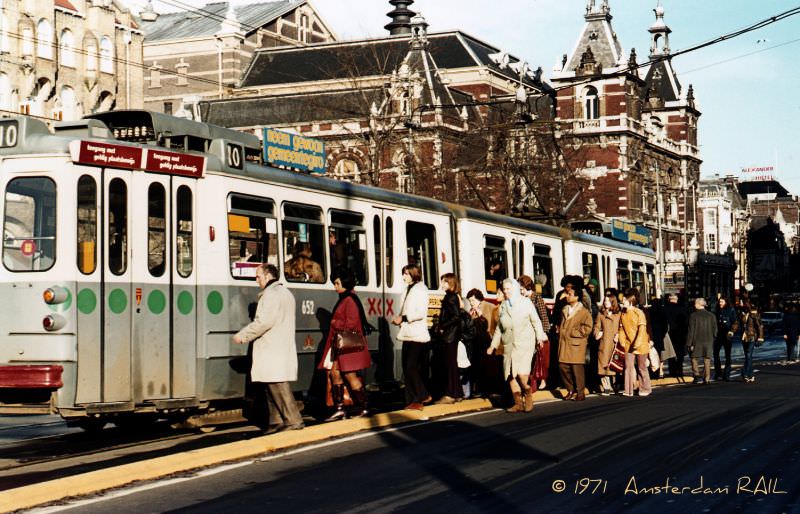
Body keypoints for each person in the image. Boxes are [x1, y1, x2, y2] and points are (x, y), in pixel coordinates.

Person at [233, 263, 304, 433]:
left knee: (278, 384)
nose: (256, 280)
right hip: (279, 345)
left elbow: (264, 321)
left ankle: (294, 420)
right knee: (270, 384)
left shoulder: (271, 295)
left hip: (272, 347)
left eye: (258, 276)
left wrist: (243, 335)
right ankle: (276, 420)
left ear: (268, 276)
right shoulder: (286, 293)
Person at [318, 268, 371, 420]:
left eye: (337, 283)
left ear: (345, 283)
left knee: (349, 375)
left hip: (347, 346)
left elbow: (352, 323)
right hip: (340, 345)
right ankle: (340, 408)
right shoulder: (346, 298)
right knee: (335, 373)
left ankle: (363, 406)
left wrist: (335, 322)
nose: (335, 287)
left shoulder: (349, 300)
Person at [488, 279, 547, 413]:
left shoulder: (526, 303)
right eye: (504, 289)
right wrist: (493, 345)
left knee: (521, 374)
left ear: (514, 289)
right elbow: (499, 328)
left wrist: (540, 337)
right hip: (509, 344)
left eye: (509, 289)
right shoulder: (503, 305)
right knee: (509, 374)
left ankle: (527, 391)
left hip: (525, 343)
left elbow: (536, 321)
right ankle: (518, 403)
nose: (506, 291)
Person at [392, 263, 431, 411]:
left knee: (411, 367)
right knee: (406, 367)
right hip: (408, 333)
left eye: (406, 274)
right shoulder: (407, 289)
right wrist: (400, 319)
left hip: (417, 334)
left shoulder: (421, 289)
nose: (403, 276)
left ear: (414, 274)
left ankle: (422, 395)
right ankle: (412, 400)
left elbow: (420, 312)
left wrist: (403, 318)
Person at [558, 285, 594, 401]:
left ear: (577, 297)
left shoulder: (584, 312)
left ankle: (580, 392)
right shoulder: (565, 309)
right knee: (563, 366)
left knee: (576, 369)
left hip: (576, 344)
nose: (568, 296)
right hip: (564, 343)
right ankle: (570, 389)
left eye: (570, 294)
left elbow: (588, 327)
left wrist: (575, 332)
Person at [467, 288, 504, 397]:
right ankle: (481, 389)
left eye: (473, 300)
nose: (471, 303)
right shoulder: (472, 310)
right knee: (479, 366)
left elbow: (491, 325)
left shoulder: (488, 306)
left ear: (479, 299)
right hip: (478, 342)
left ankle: (492, 389)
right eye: (470, 301)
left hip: (488, 340)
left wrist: (480, 316)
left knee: (489, 367)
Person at [434, 273, 464, 404]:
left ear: (450, 283)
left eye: (444, 282)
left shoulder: (450, 298)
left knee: (450, 365)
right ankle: (457, 393)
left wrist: (442, 326)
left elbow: (456, 317)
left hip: (449, 336)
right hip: (452, 335)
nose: (442, 284)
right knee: (452, 364)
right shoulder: (452, 297)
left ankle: (450, 394)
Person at [518, 275, 551, 391]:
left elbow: (543, 316)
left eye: (521, 289)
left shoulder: (537, 298)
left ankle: (542, 379)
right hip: (527, 332)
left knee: (539, 358)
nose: (520, 291)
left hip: (538, 332)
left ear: (527, 287)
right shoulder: (521, 299)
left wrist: (543, 333)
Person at [618, 288, 652, 397]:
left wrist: (637, 343)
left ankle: (645, 388)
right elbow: (622, 329)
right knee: (628, 367)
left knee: (641, 367)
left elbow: (642, 329)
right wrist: (622, 341)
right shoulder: (623, 313)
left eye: (624, 299)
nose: (622, 301)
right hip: (628, 344)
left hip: (641, 344)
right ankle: (628, 390)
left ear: (630, 300)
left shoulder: (639, 312)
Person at [594, 294, 621, 395]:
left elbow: (621, 327)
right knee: (603, 364)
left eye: (608, 301)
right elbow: (596, 326)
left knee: (615, 364)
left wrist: (619, 335)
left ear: (613, 302)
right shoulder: (601, 314)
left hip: (615, 343)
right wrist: (597, 333)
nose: (606, 303)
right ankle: (606, 386)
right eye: (605, 301)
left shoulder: (618, 314)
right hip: (604, 343)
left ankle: (615, 384)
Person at [686, 297, 717, 385]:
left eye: (695, 303)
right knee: (707, 359)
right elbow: (715, 329)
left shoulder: (693, 316)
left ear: (699, 305)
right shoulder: (711, 315)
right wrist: (713, 338)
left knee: (693, 358)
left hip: (696, 340)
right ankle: (706, 378)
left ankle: (696, 376)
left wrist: (689, 343)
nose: (694, 305)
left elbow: (691, 330)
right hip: (708, 340)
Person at [736, 302, 764, 383]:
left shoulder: (754, 314)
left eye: (743, 305)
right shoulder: (742, 314)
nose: (742, 306)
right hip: (744, 337)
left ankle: (745, 373)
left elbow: (759, 326)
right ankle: (751, 375)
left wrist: (760, 338)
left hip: (751, 336)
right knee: (748, 357)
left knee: (748, 355)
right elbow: (738, 324)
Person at [664, 293, 689, 378]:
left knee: (671, 354)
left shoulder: (665, 309)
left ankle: (672, 371)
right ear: (676, 300)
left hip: (670, 334)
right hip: (681, 333)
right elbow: (686, 322)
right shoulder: (683, 309)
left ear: (669, 299)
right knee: (680, 354)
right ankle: (680, 370)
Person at [714, 296, 737, 381]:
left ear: (726, 302)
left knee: (728, 355)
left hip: (727, 335)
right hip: (718, 335)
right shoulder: (716, 310)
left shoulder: (731, 310)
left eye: (722, 301)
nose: (720, 303)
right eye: (719, 301)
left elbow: (735, 322)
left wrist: (732, 331)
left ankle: (726, 374)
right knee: (715, 354)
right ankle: (718, 373)